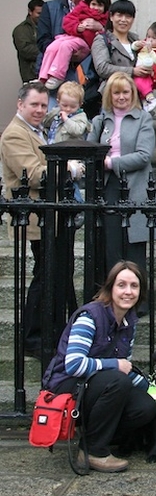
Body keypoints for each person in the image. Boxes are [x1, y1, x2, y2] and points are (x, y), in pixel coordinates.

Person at [42, 261, 156, 473]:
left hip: (98, 386)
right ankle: (96, 451)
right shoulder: (90, 316)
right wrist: (115, 365)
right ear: (110, 288)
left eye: (134, 286)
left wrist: (150, 388)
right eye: (121, 285)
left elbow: (125, 367)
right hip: (66, 387)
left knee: (145, 407)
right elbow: (74, 364)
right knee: (117, 380)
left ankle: (89, 443)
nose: (128, 292)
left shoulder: (129, 321)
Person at [87, 73, 156, 274]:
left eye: (125, 92)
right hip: (109, 187)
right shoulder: (99, 121)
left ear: (133, 93)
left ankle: (138, 304)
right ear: (109, 95)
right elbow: (89, 151)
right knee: (111, 247)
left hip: (135, 187)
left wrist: (111, 162)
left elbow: (144, 155)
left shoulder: (143, 118)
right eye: (116, 92)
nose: (121, 97)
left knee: (134, 251)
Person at [0, 82, 50, 356]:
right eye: (34, 105)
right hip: (32, 219)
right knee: (44, 277)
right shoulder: (14, 134)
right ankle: (32, 339)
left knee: (50, 275)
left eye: (44, 105)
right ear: (20, 104)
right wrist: (69, 169)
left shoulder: (34, 131)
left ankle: (47, 333)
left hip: (48, 217)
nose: (40, 110)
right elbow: (32, 174)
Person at [37, 0, 101, 118]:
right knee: (53, 117)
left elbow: (107, 39)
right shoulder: (50, 7)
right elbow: (42, 40)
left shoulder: (96, 8)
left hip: (86, 73)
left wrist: (99, 27)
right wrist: (65, 55)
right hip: (55, 73)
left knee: (81, 121)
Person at [38, 0, 111, 90]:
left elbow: (110, 34)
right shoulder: (82, 9)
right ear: (89, 3)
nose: (96, 8)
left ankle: (58, 75)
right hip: (73, 37)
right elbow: (67, 22)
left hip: (86, 44)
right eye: (93, 4)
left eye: (100, 5)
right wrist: (77, 27)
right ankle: (43, 76)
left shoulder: (106, 18)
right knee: (52, 47)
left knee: (65, 46)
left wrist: (100, 27)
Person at [92, 0, 149, 94]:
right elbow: (102, 68)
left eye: (128, 16)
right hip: (112, 94)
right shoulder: (102, 40)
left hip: (135, 93)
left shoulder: (136, 40)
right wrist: (132, 71)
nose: (123, 20)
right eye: (119, 15)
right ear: (111, 17)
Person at [131, 21, 156, 113]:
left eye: (154, 38)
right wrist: (137, 44)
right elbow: (133, 47)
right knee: (138, 90)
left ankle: (151, 98)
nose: (150, 40)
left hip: (146, 73)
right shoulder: (143, 45)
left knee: (139, 83)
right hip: (138, 70)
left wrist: (151, 51)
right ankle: (145, 102)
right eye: (148, 36)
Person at [12, 0, 44, 82]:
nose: (42, 16)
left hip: (48, 76)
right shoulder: (21, 29)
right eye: (39, 13)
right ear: (30, 12)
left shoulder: (47, 28)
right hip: (31, 77)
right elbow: (25, 50)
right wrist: (49, 51)